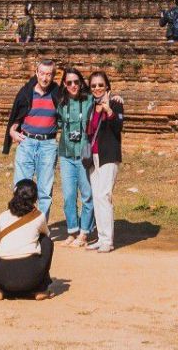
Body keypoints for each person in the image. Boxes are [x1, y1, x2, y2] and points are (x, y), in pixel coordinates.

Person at [3, 60, 61, 220]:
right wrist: (12, 132)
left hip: (48, 145)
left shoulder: (57, 93)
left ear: (53, 76)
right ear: (36, 73)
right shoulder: (26, 92)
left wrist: (112, 96)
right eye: (42, 73)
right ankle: (19, 223)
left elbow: (80, 95)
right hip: (27, 142)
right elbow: (17, 115)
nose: (45, 78)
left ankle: (40, 227)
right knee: (20, 187)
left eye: (49, 74)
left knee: (44, 191)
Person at [0, 179, 53, 301]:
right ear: (35, 198)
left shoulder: (3, 216)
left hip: (4, 278)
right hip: (31, 278)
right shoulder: (39, 216)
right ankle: (41, 289)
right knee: (46, 242)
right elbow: (46, 235)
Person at [83, 71, 124, 252]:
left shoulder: (116, 103)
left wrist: (109, 109)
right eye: (93, 86)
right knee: (97, 196)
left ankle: (108, 240)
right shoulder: (92, 106)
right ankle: (101, 237)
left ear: (107, 86)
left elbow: (118, 127)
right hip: (94, 157)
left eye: (100, 85)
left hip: (109, 155)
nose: (97, 88)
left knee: (104, 196)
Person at [53, 68, 95, 246]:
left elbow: (103, 95)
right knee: (69, 196)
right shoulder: (61, 103)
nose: (73, 86)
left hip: (84, 151)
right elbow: (57, 123)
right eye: (69, 82)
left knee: (87, 195)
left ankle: (84, 233)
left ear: (81, 83)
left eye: (76, 82)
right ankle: (72, 231)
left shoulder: (89, 100)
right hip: (66, 153)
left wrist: (116, 98)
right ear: (64, 84)